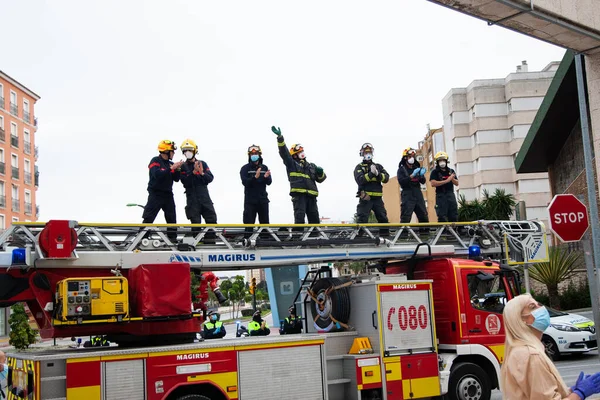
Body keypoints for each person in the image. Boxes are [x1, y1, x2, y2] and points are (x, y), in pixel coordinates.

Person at [500, 294, 600, 399]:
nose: (541, 308)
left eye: (538, 304)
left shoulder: (520, 350)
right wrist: (580, 393)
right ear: (522, 321)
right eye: (532, 307)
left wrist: (570, 390)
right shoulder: (531, 355)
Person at [272, 126, 326, 226]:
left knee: (314, 219)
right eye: (299, 152)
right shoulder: (291, 164)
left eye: (302, 151)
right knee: (299, 218)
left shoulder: (311, 166)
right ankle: (298, 238)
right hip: (299, 196)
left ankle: (316, 238)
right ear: (294, 155)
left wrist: (320, 173)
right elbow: (284, 153)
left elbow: (321, 179)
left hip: (312, 196)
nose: (302, 153)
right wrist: (280, 138)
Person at [142, 140, 183, 241]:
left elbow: (176, 179)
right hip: (155, 194)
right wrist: (171, 168)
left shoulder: (170, 164)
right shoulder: (155, 161)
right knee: (148, 217)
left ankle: (172, 240)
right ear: (166, 151)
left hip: (168, 195)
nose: (173, 153)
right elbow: (157, 175)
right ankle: (142, 238)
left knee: (172, 219)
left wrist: (177, 169)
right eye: (172, 151)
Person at [179, 139, 217, 242]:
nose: (188, 152)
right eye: (185, 150)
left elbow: (210, 178)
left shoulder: (202, 164)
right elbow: (185, 182)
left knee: (211, 218)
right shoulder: (183, 166)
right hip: (192, 198)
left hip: (204, 196)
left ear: (195, 151)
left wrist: (201, 173)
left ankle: (210, 241)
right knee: (195, 222)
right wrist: (193, 172)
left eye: (190, 150)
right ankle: (197, 242)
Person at [354, 143, 389, 235]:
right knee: (362, 219)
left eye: (369, 152)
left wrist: (378, 174)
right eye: (366, 152)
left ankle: (385, 237)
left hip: (378, 199)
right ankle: (359, 238)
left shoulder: (378, 166)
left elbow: (386, 178)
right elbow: (360, 180)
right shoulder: (359, 167)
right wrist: (370, 174)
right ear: (362, 153)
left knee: (383, 218)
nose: (368, 154)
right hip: (366, 197)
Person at [240, 145, 272, 238]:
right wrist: (255, 177)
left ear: (259, 155)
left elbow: (269, 182)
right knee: (249, 224)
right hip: (250, 201)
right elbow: (245, 182)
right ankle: (247, 242)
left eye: (256, 153)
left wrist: (266, 177)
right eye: (252, 154)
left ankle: (266, 242)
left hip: (262, 200)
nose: (254, 155)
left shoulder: (264, 167)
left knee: (265, 224)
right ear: (249, 156)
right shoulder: (245, 168)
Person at [397, 147, 429, 223]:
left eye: (413, 157)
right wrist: (411, 176)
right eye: (409, 157)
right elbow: (402, 182)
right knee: (406, 217)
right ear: (405, 158)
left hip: (418, 194)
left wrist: (421, 175)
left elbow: (423, 181)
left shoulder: (416, 168)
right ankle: (404, 234)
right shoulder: (401, 170)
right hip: (407, 194)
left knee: (424, 216)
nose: (412, 158)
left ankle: (425, 234)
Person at [429, 151, 459, 222]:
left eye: (443, 160)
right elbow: (433, 183)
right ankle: (444, 232)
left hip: (450, 194)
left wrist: (452, 179)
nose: (442, 162)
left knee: (453, 215)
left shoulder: (451, 171)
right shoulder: (434, 172)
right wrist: (447, 180)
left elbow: (457, 183)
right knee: (442, 216)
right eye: (440, 160)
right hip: (441, 196)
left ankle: (454, 231)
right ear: (437, 162)